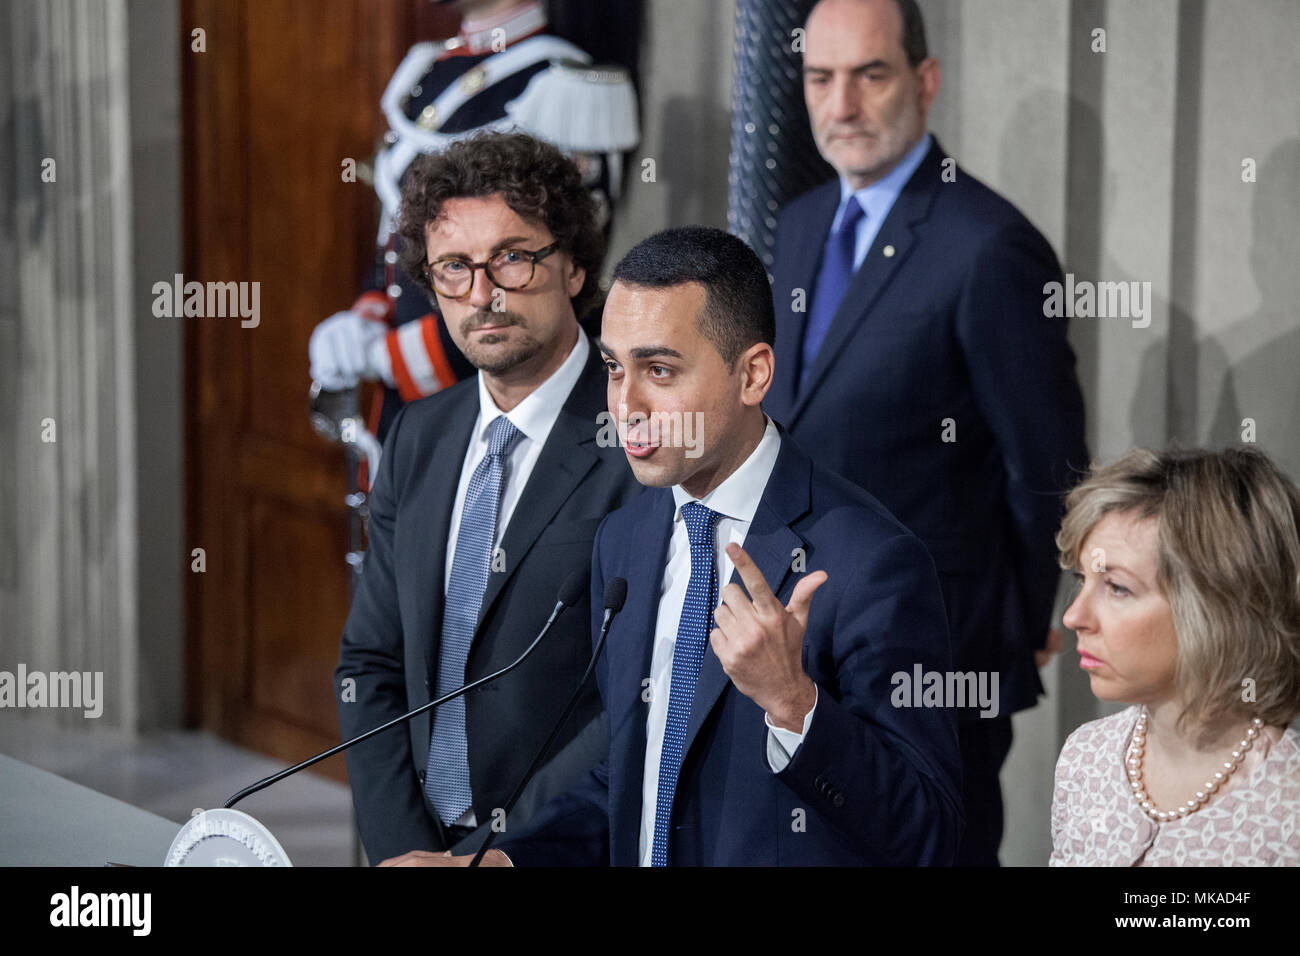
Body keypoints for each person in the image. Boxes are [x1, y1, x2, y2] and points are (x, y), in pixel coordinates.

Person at [381, 226, 963, 866]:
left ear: (753, 375)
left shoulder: (869, 562)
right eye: (612, 367)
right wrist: (496, 863)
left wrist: (795, 706)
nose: (625, 404)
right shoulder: (626, 540)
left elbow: (928, 836)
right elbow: (633, 782)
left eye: (659, 369)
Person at [764, 0, 1088, 864]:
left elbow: (1048, 470)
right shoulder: (797, 226)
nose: (843, 105)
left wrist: (1017, 629)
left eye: (870, 75)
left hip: (937, 655)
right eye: (821, 79)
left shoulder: (989, 246)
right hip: (802, 639)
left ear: (925, 81)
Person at [334, 131, 641, 864]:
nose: (482, 293)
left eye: (511, 257)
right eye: (453, 267)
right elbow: (369, 665)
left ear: (571, 265)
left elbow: (640, 692)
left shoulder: (637, 440)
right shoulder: (417, 435)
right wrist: (405, 849)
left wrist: (486, 857)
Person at [309, 0, 639, 444]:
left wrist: (391, 357)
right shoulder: (428, 71)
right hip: (402, 407)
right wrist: (366, 317)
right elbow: (401, 239)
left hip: (499, 405)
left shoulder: (562, 85)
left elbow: (550, 288)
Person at [1050, 446, 1300, 866]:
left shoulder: (1288, 805)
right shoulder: (1084, 757)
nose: (1074, 616)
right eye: (1082, 580)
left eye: (1117, 588)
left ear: (1219, 606)